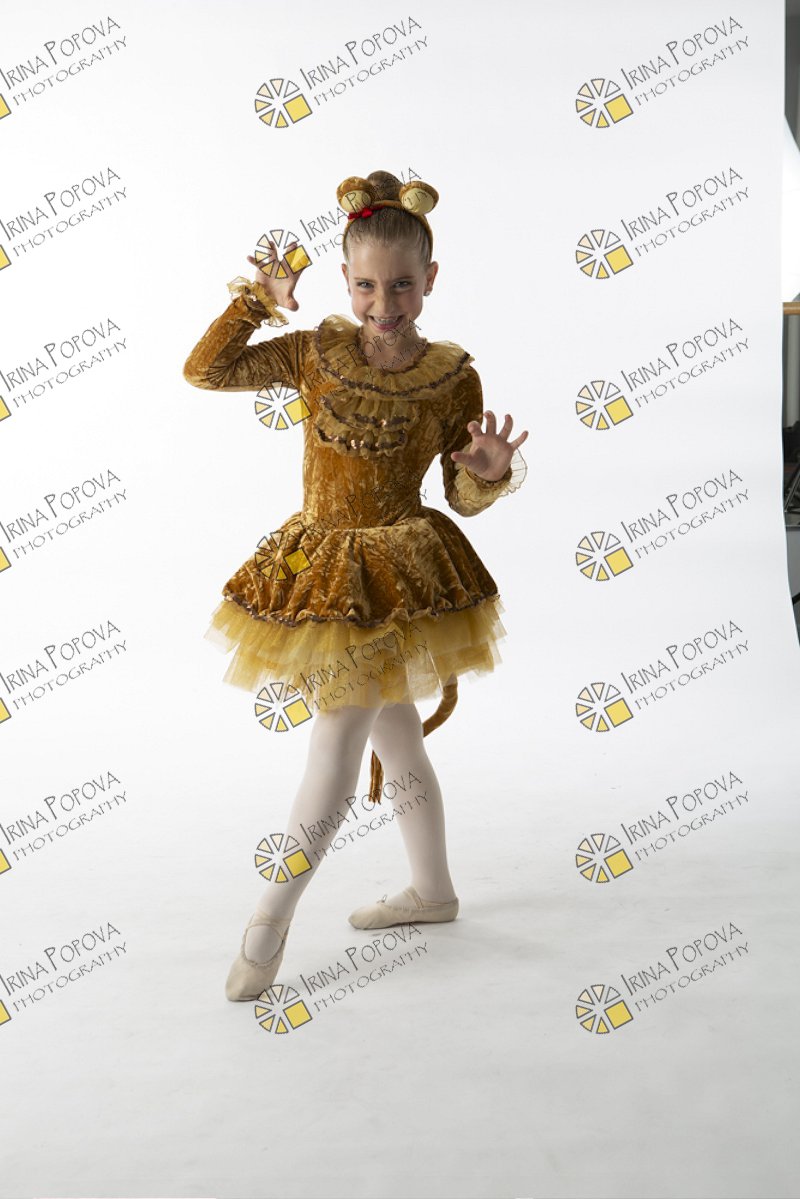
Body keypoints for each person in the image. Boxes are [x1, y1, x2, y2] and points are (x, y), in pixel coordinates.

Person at [182, 169, 529, 1002]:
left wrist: (487, 473)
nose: (384, 302)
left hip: (401, 572)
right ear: (345, 280)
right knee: (397, 738)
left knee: (336, 748)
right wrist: (255, 303)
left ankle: (269, 921)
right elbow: (205, 371)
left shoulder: (452, 377)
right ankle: (433, 891)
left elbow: (459, 494)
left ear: (430, 279)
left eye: (402, 284)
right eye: (368, 285)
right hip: (322, 569)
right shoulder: (315, 352)